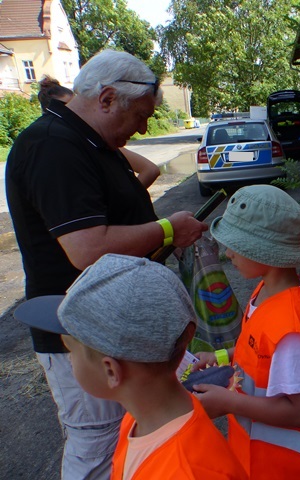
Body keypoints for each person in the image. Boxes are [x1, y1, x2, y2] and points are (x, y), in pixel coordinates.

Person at [5, 49, 207, 479]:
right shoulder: (53, 146)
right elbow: (86, 248)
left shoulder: (89, 139)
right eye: (141, 115)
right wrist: (168, 230)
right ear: (108, 98)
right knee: (95, 441)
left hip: (111, 326)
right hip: (84, 332)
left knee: (121, 432)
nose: (144, 127)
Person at [13, 254, 247, 480]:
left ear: (111, 371)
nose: (70, 360)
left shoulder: (188, 470)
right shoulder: (141, 420)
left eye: (71, 351)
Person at [191, 184, 300, 479]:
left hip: (288, 468)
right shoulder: (266, 290)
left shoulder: (290, 328)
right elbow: (258, 352)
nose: (229, 254)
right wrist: (219, 356)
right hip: (262, 459)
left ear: (265, 252)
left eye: (236, 245)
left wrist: (228, 402)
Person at [37, 75, 161, 189]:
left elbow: (150, 169)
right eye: (67, 107)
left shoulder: (100, 142)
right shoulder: (52, 143)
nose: (74, 111)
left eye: (74, 103)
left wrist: (128, 201)